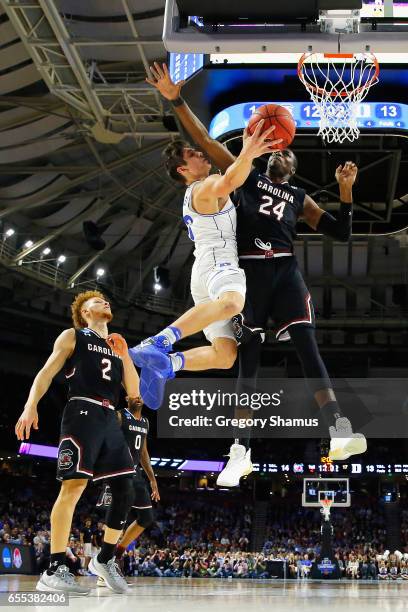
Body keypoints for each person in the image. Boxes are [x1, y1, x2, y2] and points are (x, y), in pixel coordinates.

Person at [145, 61, 367, 486]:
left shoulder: (299, 197)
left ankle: (338, 429)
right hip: (248, 273)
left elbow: (340, 232)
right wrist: (176, 100)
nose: (280, 154)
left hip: (285, 271)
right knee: (249, 363)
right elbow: (205, 139)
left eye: (287, 151)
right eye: (276, 151)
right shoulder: (243, 175)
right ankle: (240, 451)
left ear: (292, 164)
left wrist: (345, 191)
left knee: (308, 346)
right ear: (268, 156)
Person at [128, 115, 282, 411]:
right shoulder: (204, 185)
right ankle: (159, 341)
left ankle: (167, 364)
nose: (201, 154)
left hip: (205, 270)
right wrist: (249, 150)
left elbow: (233, 181)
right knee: (232, 303)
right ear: (184, 169)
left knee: (225, 356)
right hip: (218, 263)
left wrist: (247, 156)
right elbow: (229, 180)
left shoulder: (192, 194)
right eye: (193, 154)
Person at [15, 291, 140, 595]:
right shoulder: (74, 335)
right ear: (85, 313)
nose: (105, 302)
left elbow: (135, 394)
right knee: (73, 487)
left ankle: (105, 559)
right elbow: (46, 373)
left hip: (111, 418)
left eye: (107, 300)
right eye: (97, 302)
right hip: (82, 411)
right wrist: (31, 405)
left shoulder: (116, 346)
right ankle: (55, 568)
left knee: (126, 489)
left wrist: (125, 355)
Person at [95, 395, 159, 586]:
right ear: (127, 398)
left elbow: (144, 452)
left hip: (136, 473)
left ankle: (117, 554)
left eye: (141, 396)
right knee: (115, 518)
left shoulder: (145, 422)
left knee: (146, 518)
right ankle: (103, 570)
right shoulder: (120, 415)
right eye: (135, 395)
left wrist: (152, 479)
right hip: (118, 471)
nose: (138, 398)